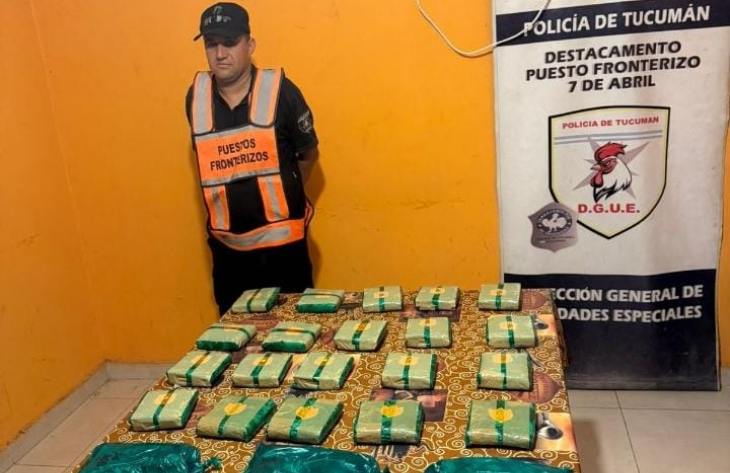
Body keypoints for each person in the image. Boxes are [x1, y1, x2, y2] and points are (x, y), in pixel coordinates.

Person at [186, 2, 318, 314]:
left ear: (250, 45)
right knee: (233, 340)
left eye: (230, 42)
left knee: (296, 337)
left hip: (284, 256)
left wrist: (285, 190)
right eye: (212, 44)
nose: (220, 53)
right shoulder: (196, 97)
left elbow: (308, 155)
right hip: (228, 260)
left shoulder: (282, 92)